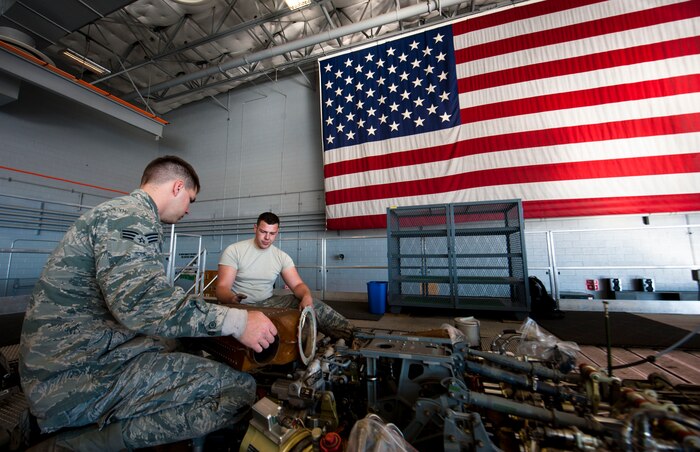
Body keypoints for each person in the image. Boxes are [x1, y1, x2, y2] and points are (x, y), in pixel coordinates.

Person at [20, 156, 277, 451]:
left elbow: (142, 300)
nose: (188, 209)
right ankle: (74, 444)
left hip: (78, 357)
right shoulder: (131, 217)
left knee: (179, 344)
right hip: (72, 378)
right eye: (190, 200)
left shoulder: (123, 213)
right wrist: (238, 322)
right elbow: (142, 303)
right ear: (178, 187)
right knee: (238, 390)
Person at [216, 212, 353, 341]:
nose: (267, 238)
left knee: (312, 304)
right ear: (255, 228)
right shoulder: (234, 251)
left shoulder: (281, 257)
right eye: (263, 232)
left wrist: (306, 296)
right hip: (238, 306)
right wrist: (231, 298)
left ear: (277, 233)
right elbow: (222, 288)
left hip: (266, 303)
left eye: (272, 233)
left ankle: (353, 336)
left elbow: (298, 285)